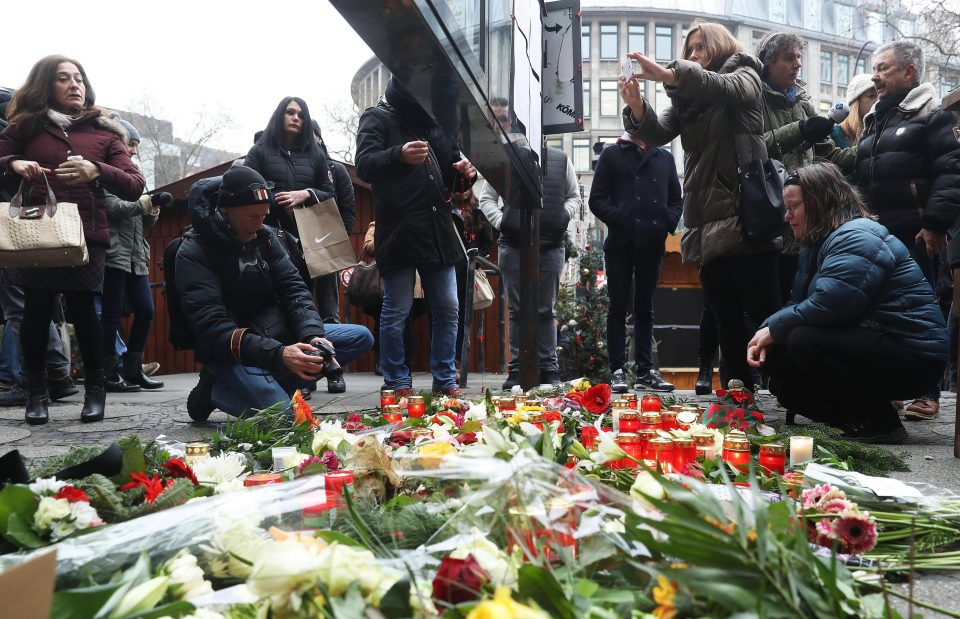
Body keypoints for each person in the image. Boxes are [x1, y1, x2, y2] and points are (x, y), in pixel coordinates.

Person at [619, 20, 782, 390]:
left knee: (764, 313)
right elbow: (658, 133)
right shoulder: (688, 95)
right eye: (688, 50)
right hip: (705, 218)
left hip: (745, 216)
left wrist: (672, 73)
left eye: (699, 48)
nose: (693, 55)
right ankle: (740, 392)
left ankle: (791, 389)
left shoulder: (745, 70)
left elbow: (723, 88)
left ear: (720, 46)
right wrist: (636, 105)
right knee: (724, 314)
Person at [748, 162, 947, 444]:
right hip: (878, 341)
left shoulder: (856, 236)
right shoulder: (816, 242)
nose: (787, 215)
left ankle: (878, 422)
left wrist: (774, 328)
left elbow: (833, 304)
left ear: (818, 203)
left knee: (803, 339)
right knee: (776, 355)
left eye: (794, 206)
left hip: (915, 356)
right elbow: (797, 303)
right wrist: (765, 333)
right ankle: (849, 419)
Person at [0, 55, 145, 426]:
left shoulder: (104, 133)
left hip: (86, 234)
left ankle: (95, 393)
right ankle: (37, 394)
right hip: (37, 233)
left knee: (83, 312)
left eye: (78, 78)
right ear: (46, 85)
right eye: (63, 78)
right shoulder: (26, 126)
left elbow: (133, 185)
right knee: (35, 311)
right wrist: (14, 163)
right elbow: (3, 152)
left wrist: (97, 169)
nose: (74, 84)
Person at [177, 166, 373, 420]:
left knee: (359, 337)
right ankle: (215, 391)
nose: (260, 224)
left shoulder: (265, 237)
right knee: (286, 417)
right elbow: (212, 327)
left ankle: (269, 384)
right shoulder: (193, 251)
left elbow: (294, 289)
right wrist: (280, 355)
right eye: (252, 216)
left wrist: (312, 335)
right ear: (225, 209)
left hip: (275, 332)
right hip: (230, 351)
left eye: (264, 215)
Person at [853, 41, 960, 421]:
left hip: (916, 236)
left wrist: (934, 224)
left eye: (883, 69)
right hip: (877, 236)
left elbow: (952, 171)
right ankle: (891, 389)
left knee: (924, 312)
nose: (875, 77)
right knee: (880, 314)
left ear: (909, 72)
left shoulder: (933, 117)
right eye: (874, 69)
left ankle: (928, 393)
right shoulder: (877, 120)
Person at [355, 76, 476, 398]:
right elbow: (364, 165)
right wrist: (398, 154)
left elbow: (452, 174)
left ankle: (445, 381)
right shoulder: (376, 117)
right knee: (397, 309)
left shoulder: (434, 125)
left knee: (449, 308)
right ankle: (396, 382)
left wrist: (466, 174)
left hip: (438, 230)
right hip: (399, 229)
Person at [244, 97, 345, 394]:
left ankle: (319, 367)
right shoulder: (260, 151)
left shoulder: (315, 154)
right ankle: (292, 369)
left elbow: (330, 193)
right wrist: (278, 197)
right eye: (290, 112)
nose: (296, 118)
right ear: (280, 115)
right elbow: (247, 186)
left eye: (301, 114)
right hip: (270, 239)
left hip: (311, 240)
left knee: (314, 308)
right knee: (281, 305)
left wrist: (304, 195)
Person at [755, 31, 856, 305]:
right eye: (789, 58)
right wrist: (800, 130)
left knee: (805, 296)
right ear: (767, 63)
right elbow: (755, 149)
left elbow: (830, 153)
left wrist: (869, 149)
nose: (797, 64)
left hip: (809, 219)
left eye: (799, 57)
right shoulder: (753, 100)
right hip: (771, 220)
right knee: (773, 299)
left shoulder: (803, 101)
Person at [478, 146, 579, 389]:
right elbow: (486, 198)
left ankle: (548, 369)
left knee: (546, 309)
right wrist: (503, 222)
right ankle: (516, 369)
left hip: (551, 243)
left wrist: (562, 216)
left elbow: (573, 196)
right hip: (513, 243)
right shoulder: (506, 158)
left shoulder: (561, 159)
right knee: (517, 310)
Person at [589, 133, 681, 393]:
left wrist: (667, 222)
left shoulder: (664, 157)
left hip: (652, 242)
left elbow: (676, 199)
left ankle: (645, 370)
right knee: (617, 307)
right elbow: (596, 199)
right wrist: (619, 219)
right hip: (620, 242)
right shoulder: (612, 154)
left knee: (645, 308)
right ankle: (617, 370)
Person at [100, 119, 165, 392]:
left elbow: (141, 219)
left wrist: (153, 211)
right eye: (131, 144)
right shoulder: (104, 171)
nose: (134, 151)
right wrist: (145, 203)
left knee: (146, 311)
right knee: (112, 314)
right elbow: (112, 208)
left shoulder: (135, 174)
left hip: (136, 255)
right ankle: (108, 373)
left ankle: (132, 369)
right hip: (113, 252)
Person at [310, 120, 356, 326]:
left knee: (329, 311)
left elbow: (348, 208)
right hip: (296, 244)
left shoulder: (336, 170)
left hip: (327, 242)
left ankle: (332, 355)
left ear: (319, 137)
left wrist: (339, 237)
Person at [832, 74, 877, 148]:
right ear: (855, 102)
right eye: (871, 96)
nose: (877, 101)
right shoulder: (833, 134)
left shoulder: (882, 132)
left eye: (880, 97)